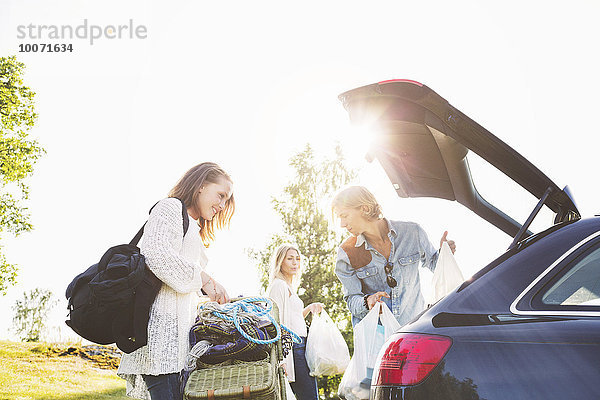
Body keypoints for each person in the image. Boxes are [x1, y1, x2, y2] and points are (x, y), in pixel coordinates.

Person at [117, 162, 235, 400]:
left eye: (226, 201)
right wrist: (203, 277)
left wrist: (209, 293)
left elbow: (183, 285)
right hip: (158, 338)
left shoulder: (194, 227)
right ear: (201, 186)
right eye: (220, 195)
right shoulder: (170, 207)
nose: (222, 205)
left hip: (176, 346)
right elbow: (156, 254)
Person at [332, 186, 456, 327]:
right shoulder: (347, 253)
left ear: (365, 209)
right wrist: (367, 302)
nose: (342, 224)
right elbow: (352, 300)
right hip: (377, 337)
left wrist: (444, 253)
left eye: (344, 216)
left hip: (413, 331)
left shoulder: (413, 233)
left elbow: (436, 267)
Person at [267, 244, 324, 400]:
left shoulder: (288, 286)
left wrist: (308, 309)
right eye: (290, 258)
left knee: (308, 394)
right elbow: (275, 323)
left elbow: (293, 319)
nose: (295, 263)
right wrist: (281, 359)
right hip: (292, 348)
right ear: (280, 261)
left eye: (297, 259)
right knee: (310, 396)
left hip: (299, 346)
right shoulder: (278, 286)